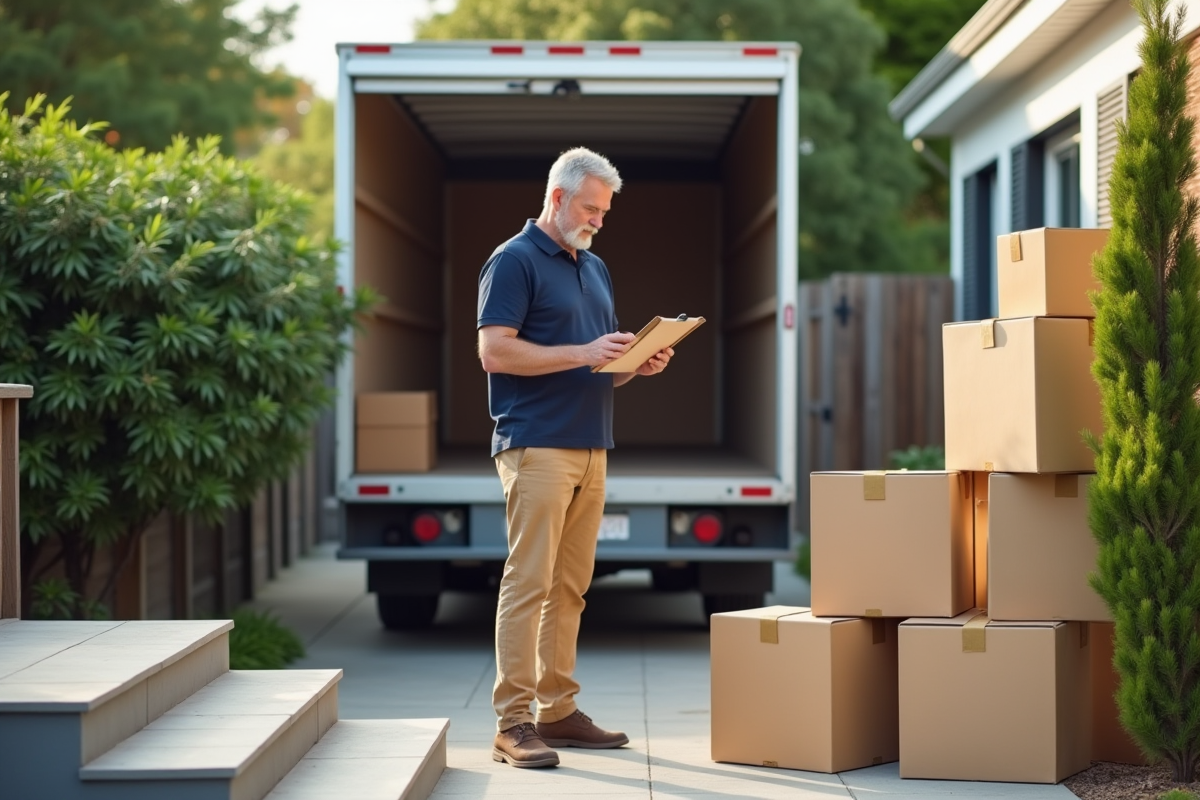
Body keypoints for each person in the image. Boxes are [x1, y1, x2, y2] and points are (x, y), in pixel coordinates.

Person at [477, 147, 673, 768]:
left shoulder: (594, 267)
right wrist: (584, 351)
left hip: (592, 447)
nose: (598, 220)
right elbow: (495, 352)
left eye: (604, 211)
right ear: (557, 198)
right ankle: (513, 723)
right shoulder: (511, 261)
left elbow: (600, 368)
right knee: (528, 584)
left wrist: (634, 365)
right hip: (535, 445)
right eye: (591, 208)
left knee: (570, 589)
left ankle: (557, 711)